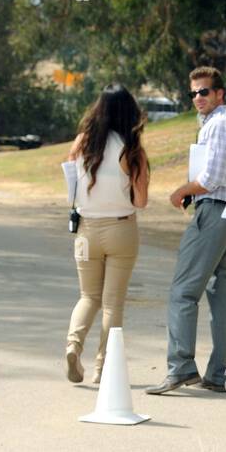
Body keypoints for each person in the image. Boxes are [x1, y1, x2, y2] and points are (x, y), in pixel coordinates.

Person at [147, 68, 226, 395]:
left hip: (216, 212)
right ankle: (216, 374)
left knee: (183, 291)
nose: (197, 99)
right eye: (193, 93)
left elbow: (212, 178)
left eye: (204, 92)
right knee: (221, 294)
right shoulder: (224, 123)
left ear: (220, 93)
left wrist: (181, 190)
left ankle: (181, 367)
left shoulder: (219, 124)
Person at [65, 84, 150, 386]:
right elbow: (141, 201)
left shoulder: (82, 143)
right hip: (120, 229)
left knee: (88, 296)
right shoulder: (132, 148)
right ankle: (103, 367)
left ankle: (73, 346)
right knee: (113, 303)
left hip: (86, 229)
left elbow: (70, 186)